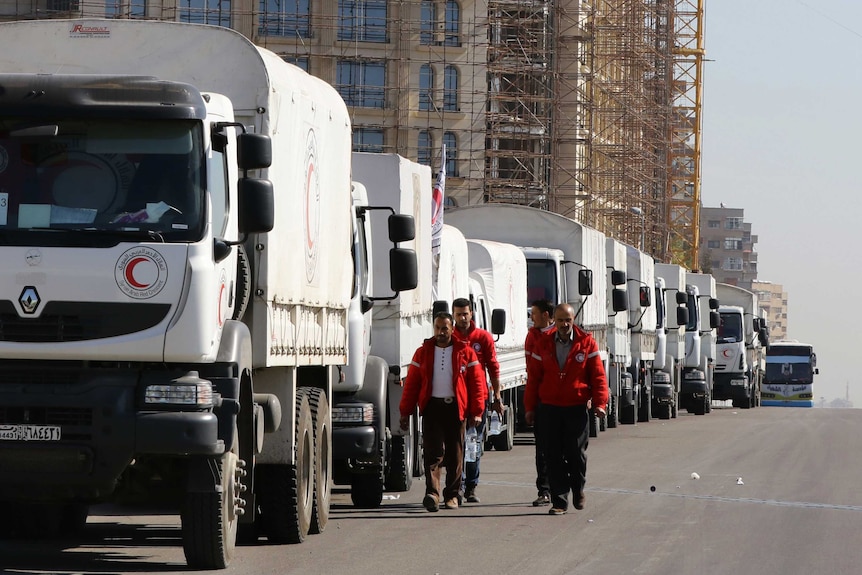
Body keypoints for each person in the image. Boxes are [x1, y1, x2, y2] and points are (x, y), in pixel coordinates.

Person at [525, 303, 608, 515]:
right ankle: (559, 501)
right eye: (560, 320)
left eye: (568, 320)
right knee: (552, 455)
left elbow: (598, 377)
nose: (564, 324)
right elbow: (534, 379)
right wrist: (530, 407)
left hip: (575, 407)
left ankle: (578, 488)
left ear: (573, 321)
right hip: (549, 408)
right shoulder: (543, 344)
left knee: (575, 454)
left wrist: (600, 403)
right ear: (554, 320)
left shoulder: (586, 343)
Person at [400, 312, 484, 512]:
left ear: (452, 328)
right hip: (432, 408)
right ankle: (433, 494)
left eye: (444, 328)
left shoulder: (465, 351)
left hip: (456, 408)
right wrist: (405, 411)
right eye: (437, 328)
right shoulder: (423, 352)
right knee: (433, 453)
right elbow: (412, 383)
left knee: (455, 454)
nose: (440, 332)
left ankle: (452, 495)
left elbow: (477, 383)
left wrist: (477, 411)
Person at [451, 297, 502, 504]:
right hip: (456, 400)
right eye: (458, 314)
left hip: (479, 399)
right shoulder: (449, 337)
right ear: (453, 316)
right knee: (456, 446)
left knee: (473, 443)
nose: (462, 318)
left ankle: (471, 486)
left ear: (471, 314)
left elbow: (493, 367)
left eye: (466, 314)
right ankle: (457, 486)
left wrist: (497, 396)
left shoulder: (483, 337)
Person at [524, 299, 556, 506]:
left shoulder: (560, 336)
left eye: (534, 313)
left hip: (564, 402)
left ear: (546, 315)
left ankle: (561, 486)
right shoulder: (532, 337)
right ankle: (544, 490)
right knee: (542, 449)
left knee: (564, 449)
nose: (531, 317)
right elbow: (532, 373)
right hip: (542, 400)